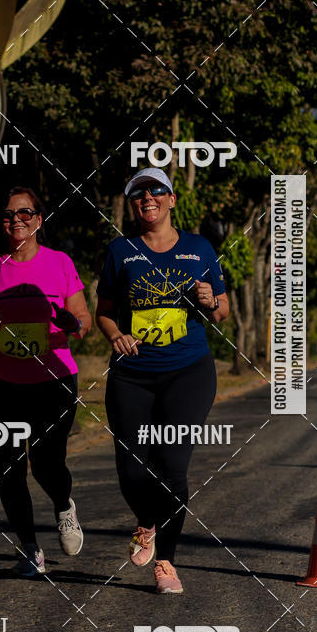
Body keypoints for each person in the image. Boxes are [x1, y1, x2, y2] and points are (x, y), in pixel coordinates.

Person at [96, 168, 229, 595]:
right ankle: (147, 521)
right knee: (132, 470)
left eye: (156, 190)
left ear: (172, 200)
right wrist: (115, 334)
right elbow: (104, 310)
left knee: (172, 465)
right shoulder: (121, 250)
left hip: (188, 371)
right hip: (132, 374)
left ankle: (167, 562)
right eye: (138, 193)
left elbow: (222, 308)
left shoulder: (199, 248)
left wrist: (210, 301)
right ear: (132, 204)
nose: (147, 197)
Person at [0, 187, 91, 577]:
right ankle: (30, 548)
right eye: (9, 215)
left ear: (39, 219)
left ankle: (64, 505)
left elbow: (84, 319)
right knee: (8, 469)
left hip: (53, 381)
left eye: (25, 213)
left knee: (47, 463)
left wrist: (70, 322)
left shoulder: (60, 263)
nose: (16, 220)